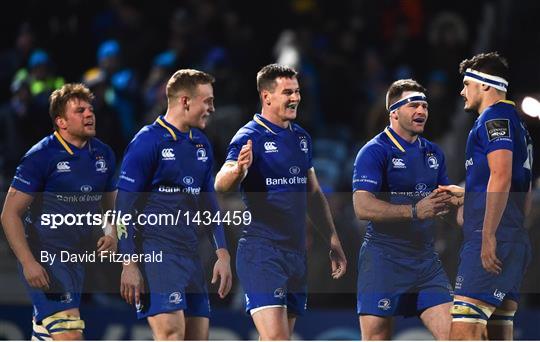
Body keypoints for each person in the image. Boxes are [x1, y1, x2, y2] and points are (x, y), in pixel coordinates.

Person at [214, 63, 347, 340]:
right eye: (287, 92)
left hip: (296, 254)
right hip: (263, 252)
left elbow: (313, 194)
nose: (295, 98)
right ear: (267, 96)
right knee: (277, 339)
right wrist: (238, 171)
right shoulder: (249, 135)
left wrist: (332, 238)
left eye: (297, 91)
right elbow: (220, 183)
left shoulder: (301, 138)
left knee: (276, 337)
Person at [116, 69, 232, 340]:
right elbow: (123, 208)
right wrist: (129, 263)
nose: (212, 108)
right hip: (157, 255)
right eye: (207, 101)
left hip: (190, 256)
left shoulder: (202, 145)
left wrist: (223, 253)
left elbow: (210, 205)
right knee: (171, 334)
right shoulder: (147, 141)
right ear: (185, 101)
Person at [1, 83, 117, 340]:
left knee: (47, 333)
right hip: (45, 256)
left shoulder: (104, 154)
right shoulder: (41, 156)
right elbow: (9, 214)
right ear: (61, 122)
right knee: (70, 333)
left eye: (90, 109)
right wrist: (28, 262)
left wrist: (112, 233)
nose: (89, 114)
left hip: (77, 258)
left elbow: (111, 207)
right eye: (79, 111)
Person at [352, 79, 456, 340]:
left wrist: (464, 200)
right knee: (377, 338)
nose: (422, 111)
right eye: (414, 105)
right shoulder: (374, 152)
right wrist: (414, 211)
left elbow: (442, 201)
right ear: (394, 112)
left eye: (425, 106)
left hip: (425, 262)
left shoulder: (434, 153)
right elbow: (362, 206)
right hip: (383, 259)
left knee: (458, 336)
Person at [440, 52, 533, 340]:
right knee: (497, 334)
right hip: (511, 237)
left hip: (492, 238)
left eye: (466, 83)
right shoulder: (516, 123)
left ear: (485, 85)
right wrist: (469, 195)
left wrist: (489, 234)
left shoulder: (495, 119)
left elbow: (502, 175)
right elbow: (521, 188)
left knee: (463, 334)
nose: (462, 90)